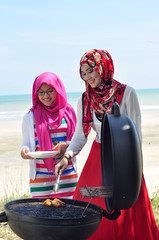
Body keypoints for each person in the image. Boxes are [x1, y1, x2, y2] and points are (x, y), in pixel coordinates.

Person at [55, 49, 159, 239]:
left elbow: (136, 134)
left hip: (125, 158)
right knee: (89, 209)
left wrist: (134, 169)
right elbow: (80, 135)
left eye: (90, 71)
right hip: (98, 157)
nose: (87, 77)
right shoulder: (85, 99)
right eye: (83, 73)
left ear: (103, 67)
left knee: (128, 214)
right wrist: (66, 157)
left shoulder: (127, 93)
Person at [21, 72, 78, 199]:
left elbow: (77, 141)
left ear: (57, 90)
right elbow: (25, 144)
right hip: (41, 178)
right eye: (41, 92)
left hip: (67, 175)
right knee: (42, 214)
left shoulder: (69, 113)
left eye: (50, 91)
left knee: (69, 213)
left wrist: (66, 145)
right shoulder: (30, 117)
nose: (45, 96)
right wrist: (24, 151)